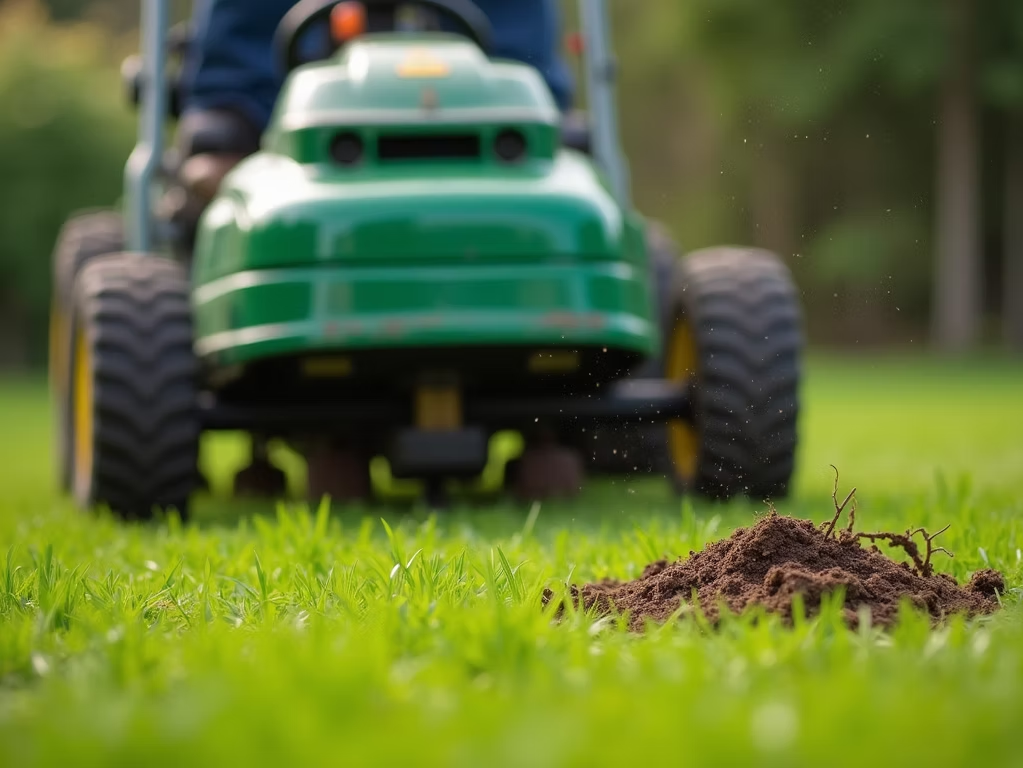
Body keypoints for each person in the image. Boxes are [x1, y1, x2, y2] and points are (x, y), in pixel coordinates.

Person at [172, 0, 577, 500]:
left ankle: (530, 107)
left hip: (494, 106)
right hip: (272, 108)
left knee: (522, 74)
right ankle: (235, 110)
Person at [176, 0, 575, 161]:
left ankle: (527, 124)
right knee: (222, 137)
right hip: (273, 112)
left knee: (521, 87)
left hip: (489, 114)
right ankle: (239, 117)